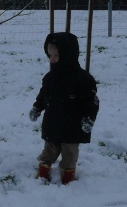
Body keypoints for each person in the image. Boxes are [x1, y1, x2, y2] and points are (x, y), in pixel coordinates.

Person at [29, 32, 99, 184]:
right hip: (53, 123)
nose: (52, 59)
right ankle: (42, 173)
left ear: (68, 54)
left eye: (56, 55)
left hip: (72, 125)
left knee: (69, 153)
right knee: (49, 150)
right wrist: (37, 107)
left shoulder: (83, 80)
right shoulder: (50, 78)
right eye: (50, 55)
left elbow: (91, 102)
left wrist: (89, 118)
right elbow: (43, 95)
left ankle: (68, 176)